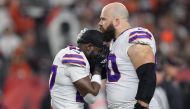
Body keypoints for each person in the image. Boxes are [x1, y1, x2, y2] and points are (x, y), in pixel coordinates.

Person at [98, 2, 160, 109]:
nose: (99, 23)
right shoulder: (115, 42)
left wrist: (141, 106)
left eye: (103, 19)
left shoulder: (133, 36)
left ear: (116, 21)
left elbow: (148, 75)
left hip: (133, 106)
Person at [49, 29, 106, 109]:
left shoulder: (66, 52)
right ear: (89, 47)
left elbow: (89, 98)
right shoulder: (75, 57)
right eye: (99, 51)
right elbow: (92, 95)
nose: (100, 56)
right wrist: (97, 69)